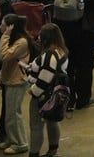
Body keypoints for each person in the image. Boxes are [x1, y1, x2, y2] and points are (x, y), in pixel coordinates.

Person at [26, 23, 69, 157]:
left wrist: (33, 91)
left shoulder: (49, 56)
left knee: (36, 127)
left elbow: (44, 80)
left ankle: (34, 153)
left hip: (43, 97)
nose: (38, 37)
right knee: (53, 122)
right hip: (58, 95)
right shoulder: (62, 51)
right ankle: (53, 150)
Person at [0, 14, 35, 154]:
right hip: (10, 79)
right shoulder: (15, 40)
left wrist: (5, 35)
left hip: (17, 81)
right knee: (9, 114)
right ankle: (11, 138)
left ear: (10, 27)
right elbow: (8, 62)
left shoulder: (21, 42)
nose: (0, 26)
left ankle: (20, 143)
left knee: (14, 114)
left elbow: (4, 56)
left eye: (3, 24)